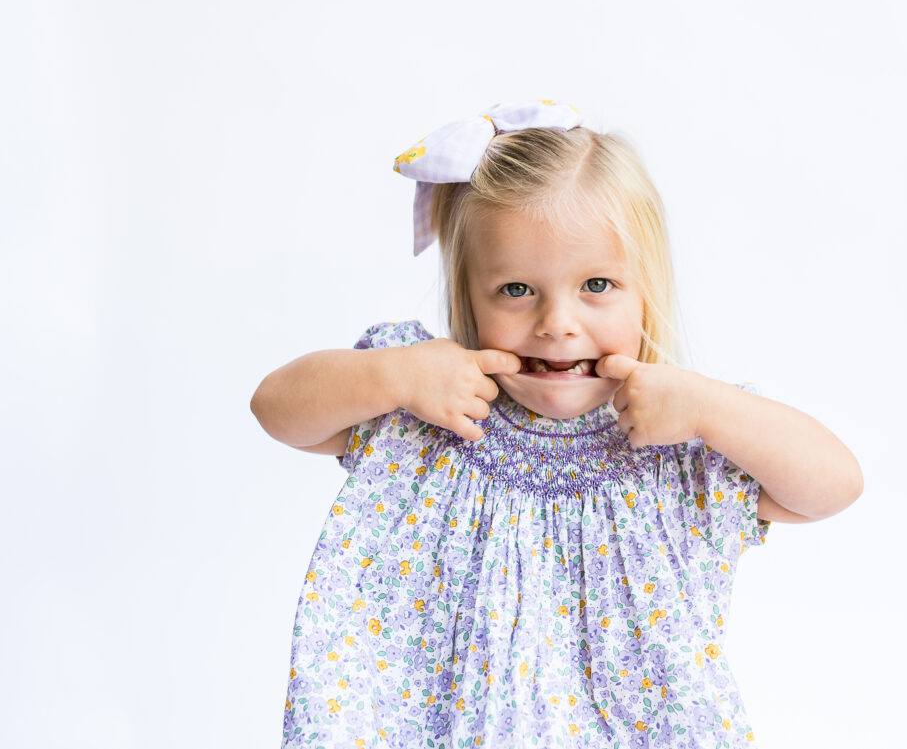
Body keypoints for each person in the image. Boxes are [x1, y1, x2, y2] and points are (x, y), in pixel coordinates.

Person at [250, 100, 863, 749]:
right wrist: (396, 377)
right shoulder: (433, 410)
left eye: (597, 283)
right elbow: (276, 408)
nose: (557, 322)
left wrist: (710, 408)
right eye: (517, 289)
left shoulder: (680, 442)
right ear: (469, 293)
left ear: (646, 291)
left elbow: (835, 483)